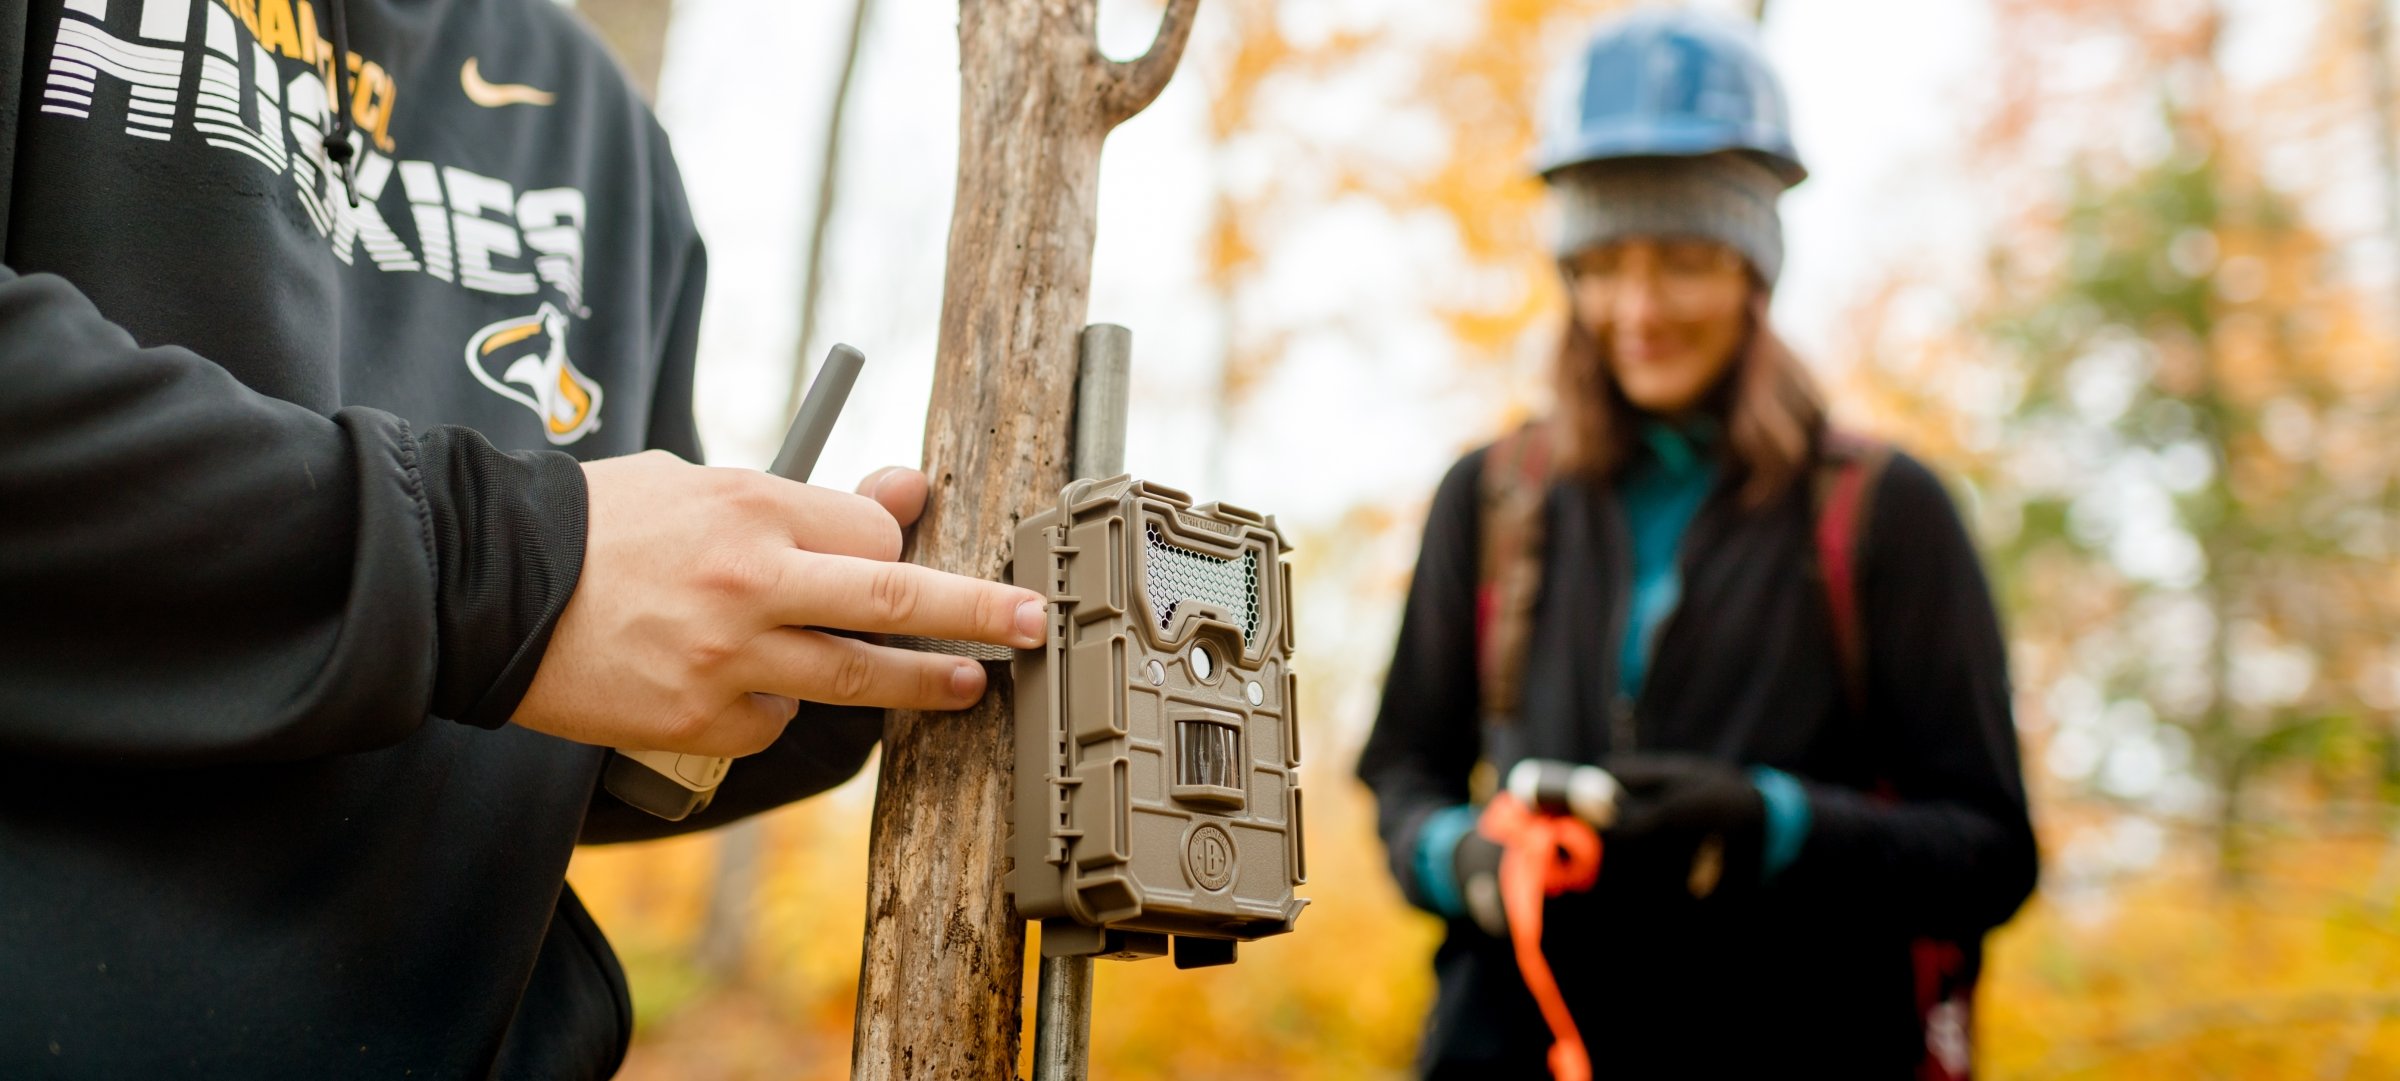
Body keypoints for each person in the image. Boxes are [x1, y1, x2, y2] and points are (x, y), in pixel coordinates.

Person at [0, 0, 1045, 1075]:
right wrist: (512, 565)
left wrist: (798, 668)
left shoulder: (601, 130)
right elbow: (511, 593)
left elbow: (536, 689)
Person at [1356, 10, 2038, 1078]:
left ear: (1752, 270)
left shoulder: (1886, 511)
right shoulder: (1488, 501)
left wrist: (1769, 822)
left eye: (1681, 259)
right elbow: (1404, 769)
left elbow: (1991, 854)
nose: (1637, 306)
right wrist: (1465, 858)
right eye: (1601, 262)